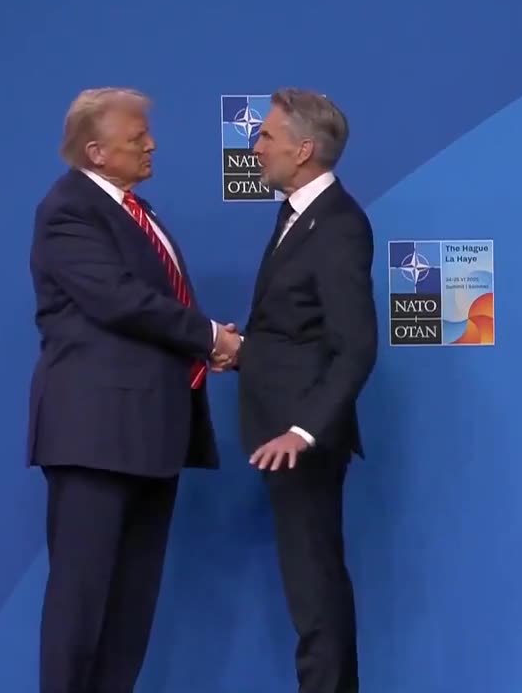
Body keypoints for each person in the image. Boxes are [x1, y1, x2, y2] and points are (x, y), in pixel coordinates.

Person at [27, 87, 241, 693]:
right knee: (82, 598)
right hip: (95, 435)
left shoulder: (133, 211)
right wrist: (210, 337)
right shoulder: (69, 209)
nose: (152, 144)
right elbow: (119, 300)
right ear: (96, 151)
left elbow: (153, 305)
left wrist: (203, 340)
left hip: (153, 431)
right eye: (137, 136)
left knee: (131, 604)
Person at [214, 87, 376, 693]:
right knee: (308, 589)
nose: (255, 148)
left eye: (265, 136)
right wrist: (245, 354)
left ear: (303, 149)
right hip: (281, 429)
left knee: (315, 591)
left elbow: (356, 346)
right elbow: (299, 331)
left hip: (302, 440)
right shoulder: (297, 215)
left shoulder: (337, 224)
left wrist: (304, 431)